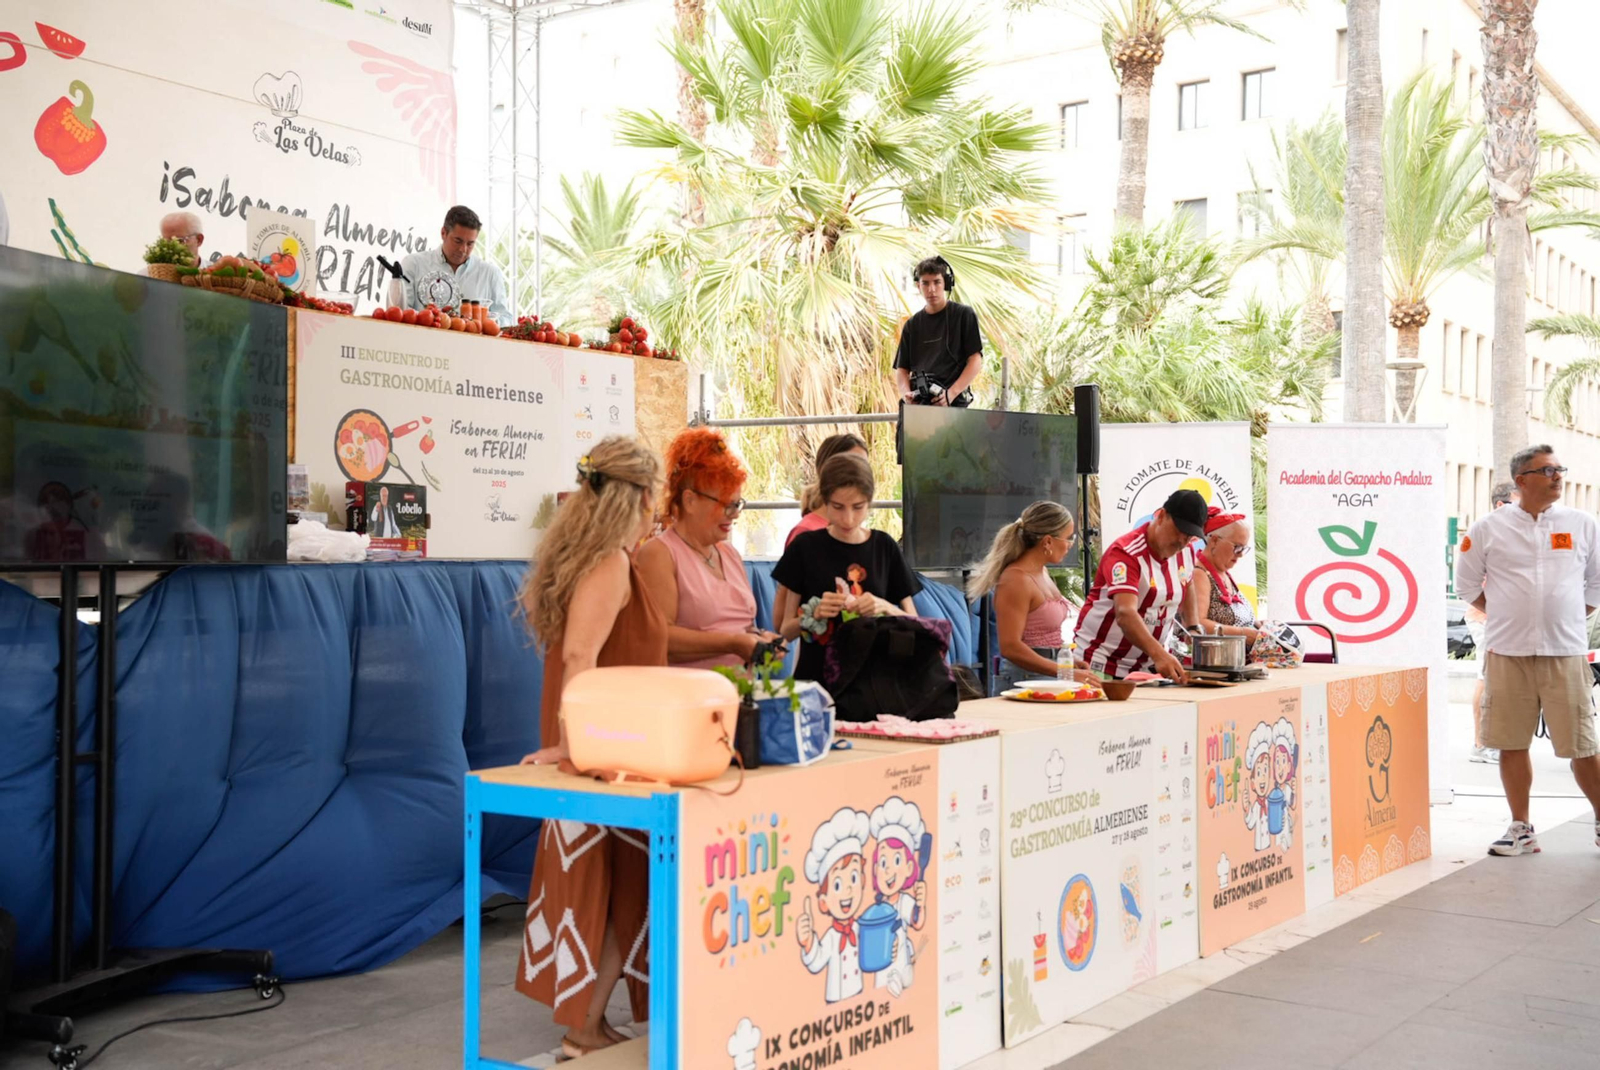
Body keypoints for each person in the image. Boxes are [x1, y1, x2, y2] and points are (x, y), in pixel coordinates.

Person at [513, 436, 665, 1058]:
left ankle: (589, 1022)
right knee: (613, 883)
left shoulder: (594, 557)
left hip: (607, 745)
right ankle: (584, 1026)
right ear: (643, 496)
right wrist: (573, 748)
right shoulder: (609, 563)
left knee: (611, 883)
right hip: (607, 752)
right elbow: (580, 656)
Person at [1453, 445, 1600, 857]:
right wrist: (1501, 613)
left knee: (1583, 745)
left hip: (1565, 653)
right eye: (1547, 470)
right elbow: (1466, 585)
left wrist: (1568, 616)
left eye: (1559, 469)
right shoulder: (1487, 528)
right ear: (1521, 480)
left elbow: (1596, 583)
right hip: (1507, 653)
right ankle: (1521, 829)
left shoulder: (1582, 524)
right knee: (1511, 742)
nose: (1557, 476)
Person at [635, 427, 783, 670]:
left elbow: (739, 628)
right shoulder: (659, 555)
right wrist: (734, 643)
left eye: (737, 504)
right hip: (688, 700)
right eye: (726, 505)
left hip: (736, 697)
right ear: (690, 500)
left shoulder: (729, 554)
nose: (734, 515)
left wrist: (759, 639)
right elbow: (659, 639)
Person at [772, 454, 921, 684]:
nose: (848, 519)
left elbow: (915, 624)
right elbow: (785, 630)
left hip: (873, 684)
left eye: (858, 507)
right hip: (816, 683)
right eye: (838, 507)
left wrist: (884, 607)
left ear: (869, 502)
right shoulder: (805, 547)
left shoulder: (884, 547)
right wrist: (814, 613)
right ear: (824, 501)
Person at [1072, 489, 1207, 683]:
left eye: (1190, 537)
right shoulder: (1126, 553)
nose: (1181, 541)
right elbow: (1125, 613)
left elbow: (1188, 582)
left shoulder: (1185, 551)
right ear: (1161, 515)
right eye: (1179, 531)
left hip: (1144, 669)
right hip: (1099, 665)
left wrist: (1193, 626)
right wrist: (1159, 654)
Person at [965, 501, 1079, 692]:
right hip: (1026, 679)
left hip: (1048, 673)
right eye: (1068, 538)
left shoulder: (1041, 572)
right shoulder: (1016, 579)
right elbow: (1010, 647)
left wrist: (1071, 664)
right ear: (1048, 541)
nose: (1069, 545)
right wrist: (1062, 670)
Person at [1467, 481, 1519, 764]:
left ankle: (1490, 742)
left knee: (1494, 680)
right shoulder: (1487, 533)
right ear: (1501, 505)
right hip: (1487, 618)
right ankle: (1481, 744)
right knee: (1486, 678)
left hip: (1504, 619)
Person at [893, 256, 982, 408]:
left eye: (937, 282)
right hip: (918, 406)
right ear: (918, 286)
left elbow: (975, 360)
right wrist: (906, 395)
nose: (931, 289)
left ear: (946, 283)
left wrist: (951, 394)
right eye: (925, 283)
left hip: (953, 404)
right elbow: (902, 369)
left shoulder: (963, 315)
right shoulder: (912, 325)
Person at [399, 205, 511, 325]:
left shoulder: (490, 274)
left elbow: (506, 319)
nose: (463, 249)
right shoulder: (413, 265)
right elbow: (399, 314)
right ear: (443, 233)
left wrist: (487, 323)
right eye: (458, 241)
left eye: (470, 244)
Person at [1186, 507, 1261, 644]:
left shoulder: (1223, 572)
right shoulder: (1199, 574)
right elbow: (1197, 623)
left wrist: (1257, 626)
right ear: (1214, 540)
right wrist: (1243, 633)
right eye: (1237, 547)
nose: (1240, 554)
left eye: (1244, 549)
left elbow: (1236, 620)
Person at [786, 433, 869, 548]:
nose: (861, 474)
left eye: (864, 466)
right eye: (852, 465)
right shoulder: (806, 534)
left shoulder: (858, 535)